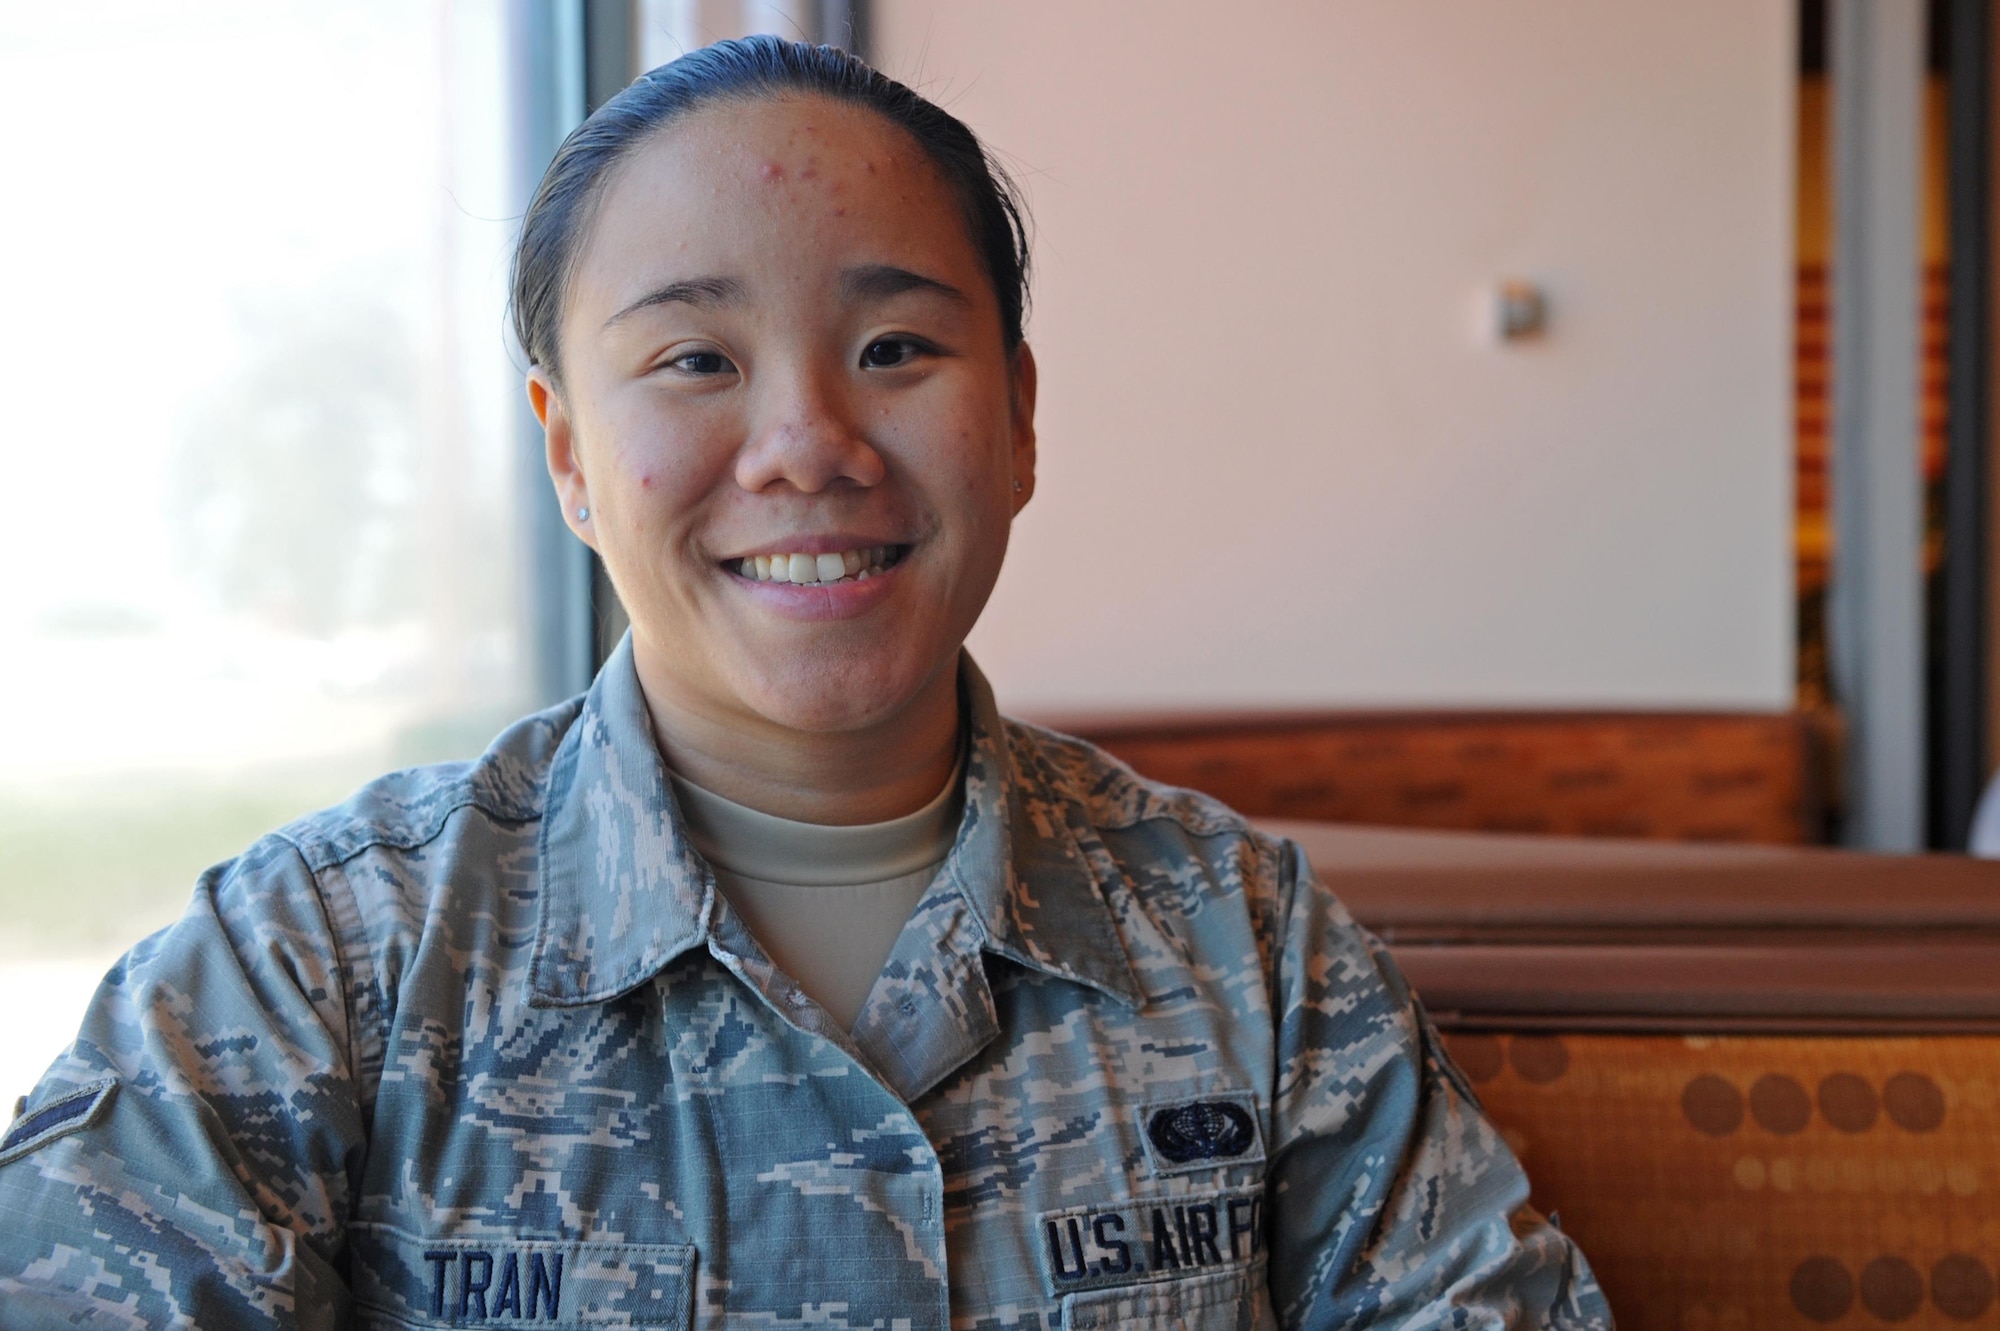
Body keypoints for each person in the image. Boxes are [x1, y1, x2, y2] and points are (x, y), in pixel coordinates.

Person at [0, 38, 1611, 1330]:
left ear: (1021, 416)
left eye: (897, 350)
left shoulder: (1242, 946)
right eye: (696, 360)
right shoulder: (316, 971)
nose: (810, 447)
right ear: (570, 454)